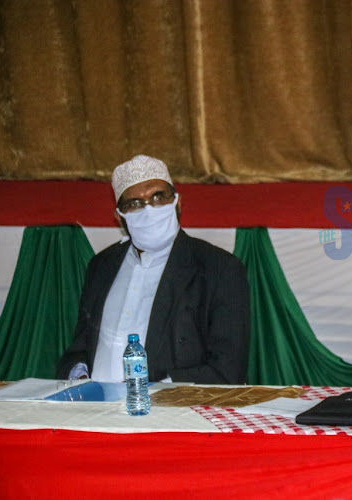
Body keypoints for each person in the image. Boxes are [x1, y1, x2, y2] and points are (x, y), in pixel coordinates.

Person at [57, 155, 250, 384]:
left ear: (178, 203)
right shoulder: (101, 266)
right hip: (94, 409)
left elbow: (227, 369)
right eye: (135, 203)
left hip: (169, 413)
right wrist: (78, 376)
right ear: (119, 218)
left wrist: (152, 393)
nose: (149, 210)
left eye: (159, 197)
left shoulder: (219, 268)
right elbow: (81, 347)